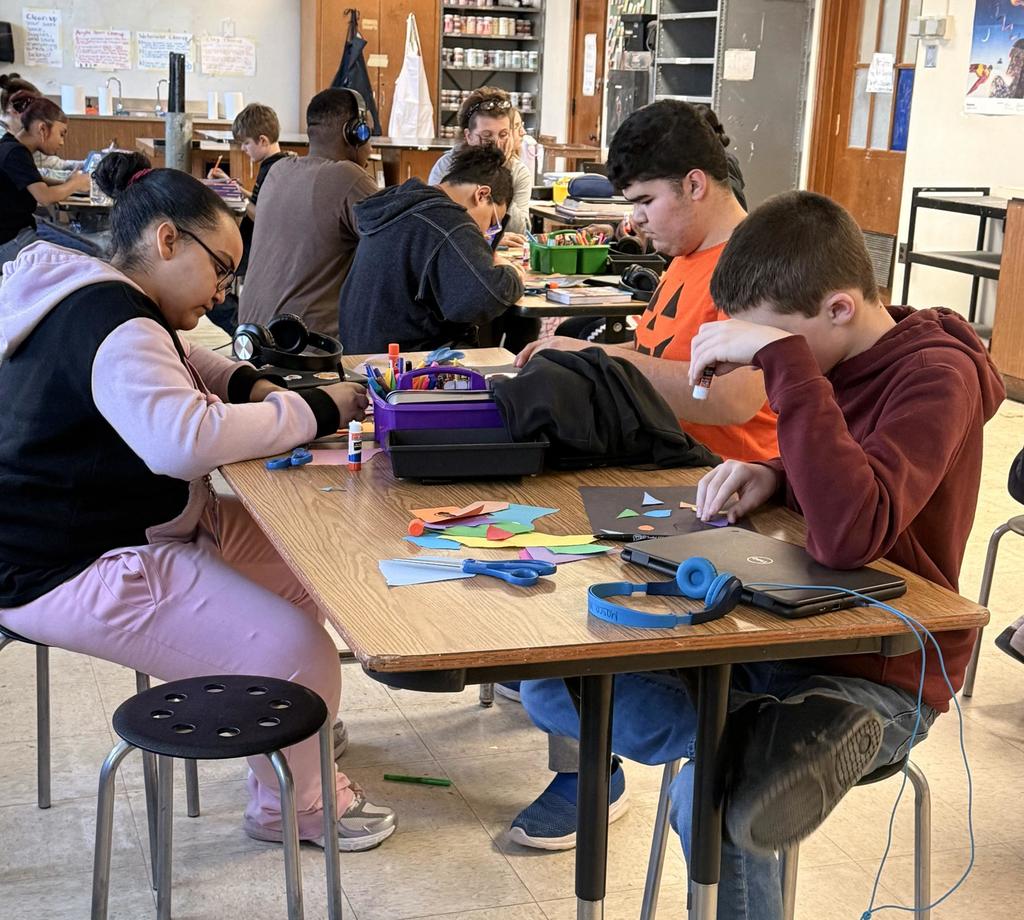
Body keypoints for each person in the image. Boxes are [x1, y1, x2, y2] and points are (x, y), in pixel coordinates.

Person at [520, 190, 1005, 919]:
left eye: (777, 340)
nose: (770, 364)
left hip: (877, 671)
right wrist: (773, 472)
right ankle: (764, 732)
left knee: (708, 796)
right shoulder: (832, 353)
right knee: (553, 686)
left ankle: (766, 744)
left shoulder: (937, 374)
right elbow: (835, 467)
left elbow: (851, 531)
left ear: (840, 308)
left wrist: (785, 366)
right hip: (779, 638)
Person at [0, 151, 397, 853]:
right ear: (167, 241)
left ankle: (290, 739)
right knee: (296, 651)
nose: (223, 289)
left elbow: (187, 361)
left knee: (302, 566)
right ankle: (296, 807)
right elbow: (181, 442)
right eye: (221, 266)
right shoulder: (117, 322)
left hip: (115, 527)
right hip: (72, 560)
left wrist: (258, 389)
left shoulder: (87, 286)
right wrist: (315, 411)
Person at [516, 101, 777, 464]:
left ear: (694, 184)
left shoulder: (756, 266)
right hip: (665, 458)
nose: (636, 219)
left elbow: (730, 399)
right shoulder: (687, 255)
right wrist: (581, 357)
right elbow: (657, 354)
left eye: (646, 201)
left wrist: (599, 357)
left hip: (722, 479)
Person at [338, 144, 524, 354]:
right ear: (481, 194)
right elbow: (481, 297)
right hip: (403, 361)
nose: (486, 233)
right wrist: (513, 275)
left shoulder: (404, 202)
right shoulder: (449, 220)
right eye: (492, 221)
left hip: (358, 349)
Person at [239, 88, 378, 339]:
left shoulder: (278, 170)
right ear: (354, 133)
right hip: (303, 348)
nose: (370, 146)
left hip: (250, 338)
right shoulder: (348, 176)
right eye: (368, 135)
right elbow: (398, 249)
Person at [206, 102, 294, 335]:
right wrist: (231, 185)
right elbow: (260, 198)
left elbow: (263, 213)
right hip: (253, 243)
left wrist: (241, 204)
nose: (244, 149)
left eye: (246, 143)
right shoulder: (278, 164)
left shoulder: (272, 168)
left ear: (263, 141)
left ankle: (243, 331)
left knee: (213, 290)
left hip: (255, 246)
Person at [0, 94, 91, 265]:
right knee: (83, 263)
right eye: (61, 134)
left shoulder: (11, 145)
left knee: (90, 251)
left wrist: (67, 184)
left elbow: (35, 180)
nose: (62, 142)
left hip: (23, 227)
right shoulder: (15, 153)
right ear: (42, 129)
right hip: (9, 239)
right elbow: (44, 196)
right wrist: (74, 184)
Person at [428, 88, 532, 236]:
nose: (497, 144)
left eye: (503, 135)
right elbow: (434, 219)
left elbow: (521, 231)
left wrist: (500, 175)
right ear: (468, 136)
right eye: (487, 136)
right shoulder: (446, 166)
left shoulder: (518, 172)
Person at [0, 75, 84, 180]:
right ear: (15, 110)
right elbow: (31, 174)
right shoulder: (8, 143)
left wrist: (85, 165)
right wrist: (74, 180)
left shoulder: (29, 135)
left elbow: (50, 163)